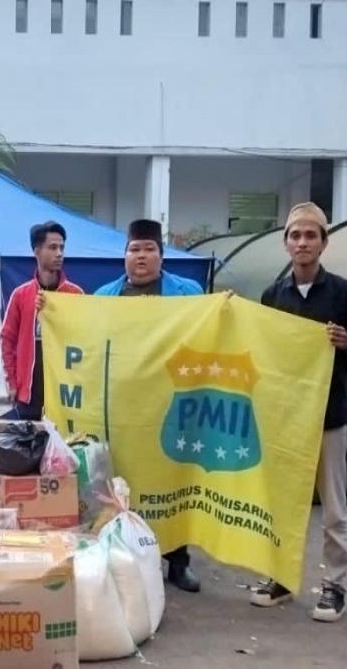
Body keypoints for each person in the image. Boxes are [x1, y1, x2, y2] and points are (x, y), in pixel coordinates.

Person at [254, 202, 347, 622]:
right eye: (295, 235)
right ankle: (282, 578)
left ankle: (334, 585)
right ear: (285, 243)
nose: (302, 243)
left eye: (310, 235)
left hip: (328, 418)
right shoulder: (273, 295)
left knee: (334, 509)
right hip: (286, 421)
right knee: (284, 504)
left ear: (323, 242)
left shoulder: (346, 293)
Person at [95, 218, 206, 593]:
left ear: (161, 255)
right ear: (124, 255)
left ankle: (178, 561)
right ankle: (126, 557)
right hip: (124, 406)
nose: (141, 256)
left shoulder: (188, 293)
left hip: (171, 402)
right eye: (134, 249)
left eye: (148, 249)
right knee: (124, 481)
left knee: (173, 480)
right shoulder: (104, 297)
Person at [0, 221, 83, 421]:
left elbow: (85, 340)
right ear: (36, 251)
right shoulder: (21, 295)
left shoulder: (76, 294)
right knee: (29, 441)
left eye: (62, 247)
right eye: (53, 247)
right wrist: (11, 382)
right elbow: (6, 340)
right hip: (29, 393)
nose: (59, 253)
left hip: (64, 393)